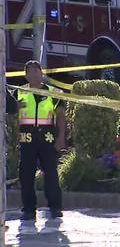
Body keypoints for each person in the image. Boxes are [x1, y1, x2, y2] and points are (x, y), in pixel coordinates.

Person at [17, 60, 64, 220]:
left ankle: (55, 207)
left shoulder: (53, 93)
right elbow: (11, 113)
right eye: (30, 72)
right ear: (26, 75)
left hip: (47, 139)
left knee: (51, 174)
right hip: (27, 140)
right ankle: (29, 209)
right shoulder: (18, 92)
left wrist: (61, 137)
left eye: (36, 71)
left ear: (41, 73)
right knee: (26, 175)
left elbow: (61, 117)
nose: (34, 75)